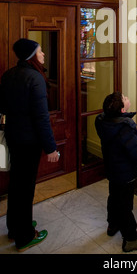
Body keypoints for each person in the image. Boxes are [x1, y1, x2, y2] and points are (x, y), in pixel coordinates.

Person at [0, 38, 60, 252]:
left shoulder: (9, 75)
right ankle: (25, 236)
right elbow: (41, 118)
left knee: (16, 185)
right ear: (32, 55)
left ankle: (15, 227)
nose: (43, 54)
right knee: (25, 189)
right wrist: (51, 147)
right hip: (29, 143)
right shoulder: (35, 78)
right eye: (40, 51)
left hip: (14, 139)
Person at [95, 91, 137, 253]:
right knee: (125, 204)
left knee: (114, 196)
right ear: (122, 110)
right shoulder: (124, 128)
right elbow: (134, 151)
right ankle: (131, 239)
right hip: (125, 173)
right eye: (124, 99)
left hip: (112, 169)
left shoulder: (102, 121)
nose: (127, 98)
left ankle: (113, 224)